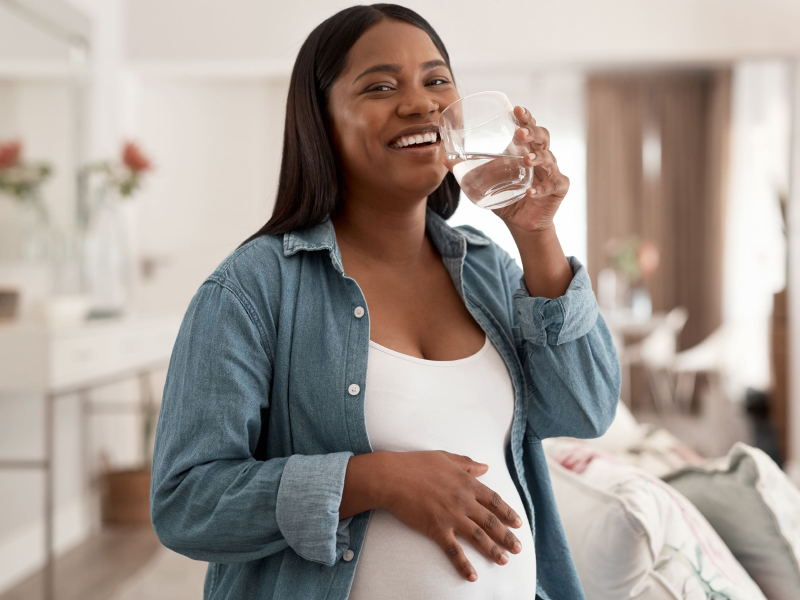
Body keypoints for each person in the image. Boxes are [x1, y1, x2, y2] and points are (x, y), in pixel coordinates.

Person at [150, 4, 620, 600]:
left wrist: (535, 235)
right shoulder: (252, 288)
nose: (420, 102)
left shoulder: (488, 268)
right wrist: (374, 478)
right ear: (321, 121)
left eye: (437, 79)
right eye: (380, 86)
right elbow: (185, 503)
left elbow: (585, 410)